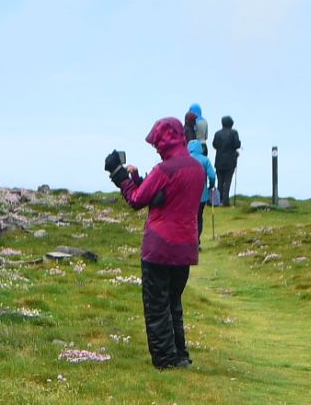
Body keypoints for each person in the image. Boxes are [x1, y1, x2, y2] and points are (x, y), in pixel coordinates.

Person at [103, 116, 207, 369]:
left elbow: (137, 199)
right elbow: (165, 197)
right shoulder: (197, 169)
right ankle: (180, 355)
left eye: (157, 142)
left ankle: (166, 360)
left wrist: (120, 176)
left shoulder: (164, 170)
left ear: (164, 140)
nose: (156, 147)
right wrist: (138, 178)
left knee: (157, 305)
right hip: (185, 247)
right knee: (173, 303)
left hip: (159, 247)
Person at [184, 103, 220, 207]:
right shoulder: (205, 122)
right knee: (203, 170)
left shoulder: (192, 123)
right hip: (204, 145)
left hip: (194, 146)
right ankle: (204, 194)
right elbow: (207, 136)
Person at [212, 115, 241, 202]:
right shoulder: (234, 133)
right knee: (228, 180)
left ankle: (219, 199)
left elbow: (214, 145)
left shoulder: (217, 133)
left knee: (220, 181)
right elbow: (237, 145)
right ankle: (225, 200)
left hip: (219, 160)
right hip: (230, 160)